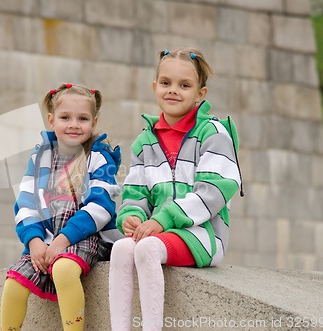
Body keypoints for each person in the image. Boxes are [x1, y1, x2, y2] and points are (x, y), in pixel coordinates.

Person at [109, 48, 243, 331]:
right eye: (166, 83)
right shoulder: (145, 140)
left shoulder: (213, 134)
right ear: (154, 87)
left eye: (185, 85)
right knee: (121, 248)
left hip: (204, 235)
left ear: (200, 93)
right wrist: (131, 216)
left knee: (146, 249)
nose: (173, 91)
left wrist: (163, 219)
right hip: (160, 231)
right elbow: (135, 191)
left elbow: (214, 191)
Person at [0, 83, 123, 331]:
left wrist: (62, 241)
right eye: (65, 117)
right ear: (51, 120)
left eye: (83, 118)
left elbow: (100, 208)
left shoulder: (98, 157)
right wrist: (34, 242)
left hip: (88, 236)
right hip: (46, 240)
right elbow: (25, 204)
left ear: (94, 122)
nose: (74, 124)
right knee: (14, 282)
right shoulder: (40, 159)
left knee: (64, 269)